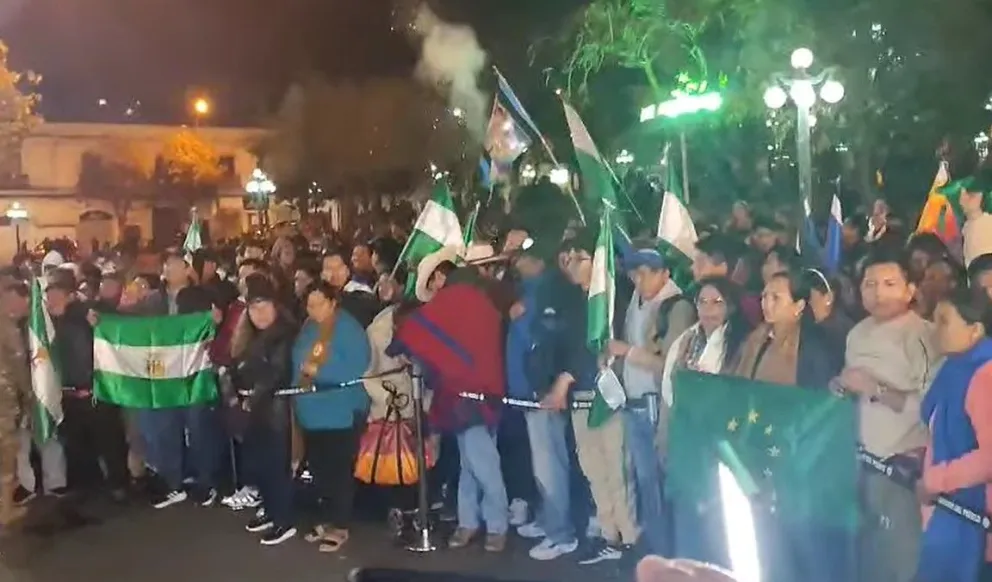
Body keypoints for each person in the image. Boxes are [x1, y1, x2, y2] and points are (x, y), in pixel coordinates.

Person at [836, 251, 940, 582]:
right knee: (865, 555)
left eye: (890, 284)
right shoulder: (856, 334)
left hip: (900, 465)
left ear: (911, 290)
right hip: (856, 462)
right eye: (870, 284)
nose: (878, 293)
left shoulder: (924, 336)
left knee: (900, 556)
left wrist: (877, 389)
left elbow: (932, 407)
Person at [543, 229, 638, 565]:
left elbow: (594, 349)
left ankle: (629, 540)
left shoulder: (612, 301)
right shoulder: (572, 300)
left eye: (579, 258)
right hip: (580, 398)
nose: (571, 265)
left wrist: (564, 380)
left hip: (606, 396)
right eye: (568, 258)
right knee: (593, 468)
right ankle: (609, 535)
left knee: (616, 468)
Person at [608, 244, 696, 555]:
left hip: (659, 406)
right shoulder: (637, 301)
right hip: (634, 402)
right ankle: (657, 548)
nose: (637, 280)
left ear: (664, 273)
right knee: (645, 481)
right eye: (633, 273)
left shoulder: (677, 308)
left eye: (644, 273)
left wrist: (626, 352)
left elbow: (671, 365)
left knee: (663, 481)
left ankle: (673, 550)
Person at [662, 276, 749, 566]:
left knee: (719, 526)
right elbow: (669, 388)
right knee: (688, 518)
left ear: (731, 306)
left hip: (722, 447)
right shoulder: (686, 339)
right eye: (702, 302)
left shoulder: (740, 342)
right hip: (687, 442)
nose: (709, 309)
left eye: (718, 302)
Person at [916, 288, 992, 582]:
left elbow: (989, 457)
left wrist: (936, 480)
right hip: (947, 511)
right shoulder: (954, 367)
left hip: (971, 517)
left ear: (975, 330)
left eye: (944, 321)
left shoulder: (984, 375)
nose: (935, 330)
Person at [293, 281, 371, 553]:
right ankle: (325, 518)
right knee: (319, 468)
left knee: (338, 470)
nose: (313, 310)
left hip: (340, 409)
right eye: (309, 304)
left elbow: (356, 367)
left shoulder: (348, 329)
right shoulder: (308, 327)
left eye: (319, 304)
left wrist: (316, 370)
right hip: (311, 410)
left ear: (333, 301)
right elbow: (297, 361)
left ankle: (340, 523)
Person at [47, 270, 129, 499]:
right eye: (50, 293)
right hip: (67, 394)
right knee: (76, 444)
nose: (52, 299)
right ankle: (87, 487)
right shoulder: (47, 322)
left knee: (109, 440)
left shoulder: (90, 314)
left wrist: (98, 323)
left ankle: (118, 484)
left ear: (71, 294)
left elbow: (118, 328)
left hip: (95, 391)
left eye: (57, 293)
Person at [237, 278, 299, 546]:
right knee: (260, 465)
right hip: (259, 409)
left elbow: (278, 373)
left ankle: (283, 520)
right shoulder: (252, 336)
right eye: (253, 308)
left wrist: (252, 397)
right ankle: (271, 512)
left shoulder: (284, 334)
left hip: (277, 411)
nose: (259, 313)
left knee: (276, 467)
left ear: (276, 306)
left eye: (264, 306)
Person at [1, 281, 67, 504]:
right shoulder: (6, 326)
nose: (8, 305)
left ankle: (56, 482)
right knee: (21, 442)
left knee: (48, 435)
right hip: (14, 395)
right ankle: (26, 485)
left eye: (12, 300)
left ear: (26, 299)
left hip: (41, 388)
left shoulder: (40, 322)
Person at [0, 284, 32, 525]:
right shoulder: (8, 327)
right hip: (3, 402)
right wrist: (30, 393)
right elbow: (20, 370)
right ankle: (5, 510)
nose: (27, 308)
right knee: (6, 455)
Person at [802, 268, 854, 354]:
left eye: (809, 296)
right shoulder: (808, 325)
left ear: (828, 298)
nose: (806, 302)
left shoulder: (838, 333)